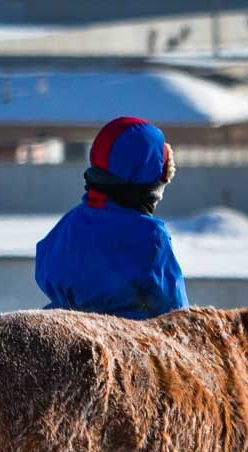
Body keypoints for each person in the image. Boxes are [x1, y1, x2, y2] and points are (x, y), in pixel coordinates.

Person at [35, 116, 188, 320]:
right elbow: (176, 314)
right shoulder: (150, 238)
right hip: (125, 339)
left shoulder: (68, 224)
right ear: (149, 183)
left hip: (59, 320)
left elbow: (45, 269)